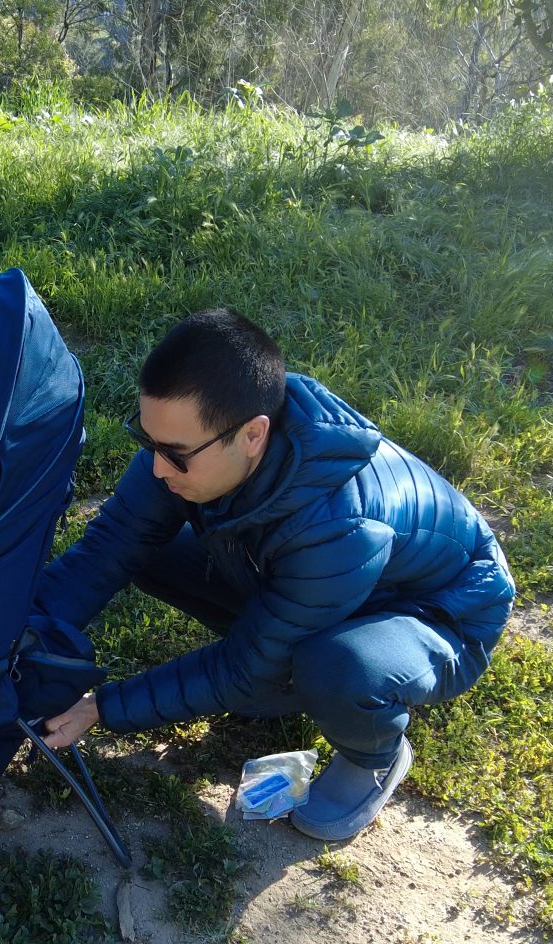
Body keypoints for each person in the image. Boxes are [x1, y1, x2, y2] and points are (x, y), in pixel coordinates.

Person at [35, 309, 514, 841]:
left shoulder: (339, 525)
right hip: (328, 587)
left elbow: (239, 669)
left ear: (253, 435)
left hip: (441, 612)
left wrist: (102, 707)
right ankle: (289, 669)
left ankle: (373, 753)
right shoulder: (196, 442)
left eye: (173, 454)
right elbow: (109, 547)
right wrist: (18, 632)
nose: (156, 469)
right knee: (155, 550)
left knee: (335, 665)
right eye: (148, 443)